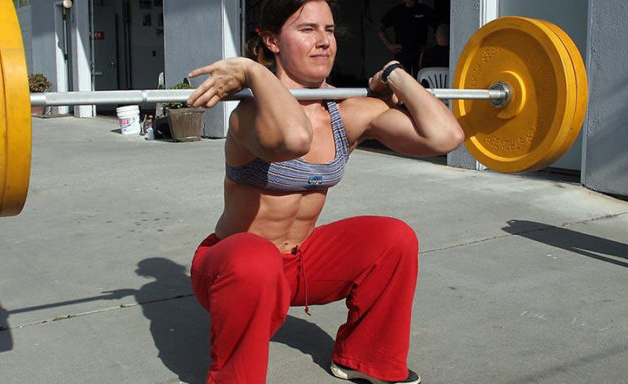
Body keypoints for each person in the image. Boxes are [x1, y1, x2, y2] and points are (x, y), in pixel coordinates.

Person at [185, 0, 464, 383]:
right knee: (256, 258)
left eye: (329, 30)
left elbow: (445, 137)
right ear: (272, 40)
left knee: (394, 239)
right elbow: (292, 138)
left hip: (298, 264)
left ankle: (363, 359)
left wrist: (395, 75)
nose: (323, 42)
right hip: (233, 270)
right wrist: (254, 73)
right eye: (307, 30)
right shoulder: (249, 113)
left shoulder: (345, 110)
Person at [378, 0, 436, 77]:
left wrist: (432, 44)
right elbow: (380, 27)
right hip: (402, 52)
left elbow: (440, 27)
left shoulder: (425, 10)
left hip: (420, 53)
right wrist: (389, 45)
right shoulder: (396, 11)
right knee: (402, 78)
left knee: (421, 79)